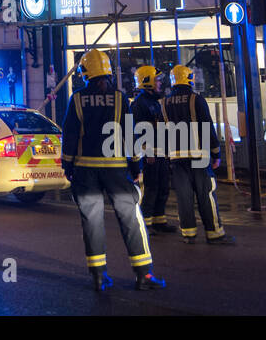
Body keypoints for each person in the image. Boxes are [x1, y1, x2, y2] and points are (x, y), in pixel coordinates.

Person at [61, 48, 165, 291]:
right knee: (131, 220)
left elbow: (70, 134)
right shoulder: (120, 99)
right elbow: (131, 135)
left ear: (85, 72)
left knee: (92, 222)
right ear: (107, 71)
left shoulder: (76, 98)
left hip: (85, 170)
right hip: (117, 170)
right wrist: (136, 165)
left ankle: (98, 276)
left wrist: (68, 166)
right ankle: (143, 275)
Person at [163, 64, 233, 245]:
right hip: (198, 155)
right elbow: (207, 126)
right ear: (189, 78)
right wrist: (216, 152)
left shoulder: (164, 102)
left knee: (184, 197)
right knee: (206, 194)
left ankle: (188, 234)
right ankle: (214, 233)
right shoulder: (196, 99)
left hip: (176, 158)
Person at [130, 65, 175, 234]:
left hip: (160, 152)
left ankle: (159, 220)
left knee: (163, 186)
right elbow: (138, 131)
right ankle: (145, 223)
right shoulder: (139, 104)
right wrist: (147, 152)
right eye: (157, 80)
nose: (160, 84)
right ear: (147, 81)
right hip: (149, 154)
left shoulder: (154, 103)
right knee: (150, 188)